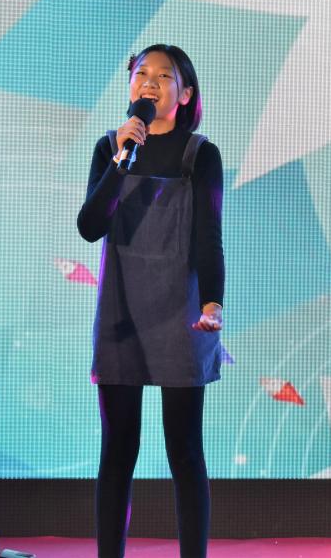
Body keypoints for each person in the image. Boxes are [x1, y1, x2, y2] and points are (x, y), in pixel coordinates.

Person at [77, 44, 225, 558]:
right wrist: (120, 161)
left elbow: (209, 237)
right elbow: (89, 227)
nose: (151, 82)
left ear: (184, 94)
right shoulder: (110, 149)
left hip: (181, 314)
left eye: (165, 75)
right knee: (117, 450)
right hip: (122, 313)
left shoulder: (200, 154)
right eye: (143, 72)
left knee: (184, 450)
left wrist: (213, 304)